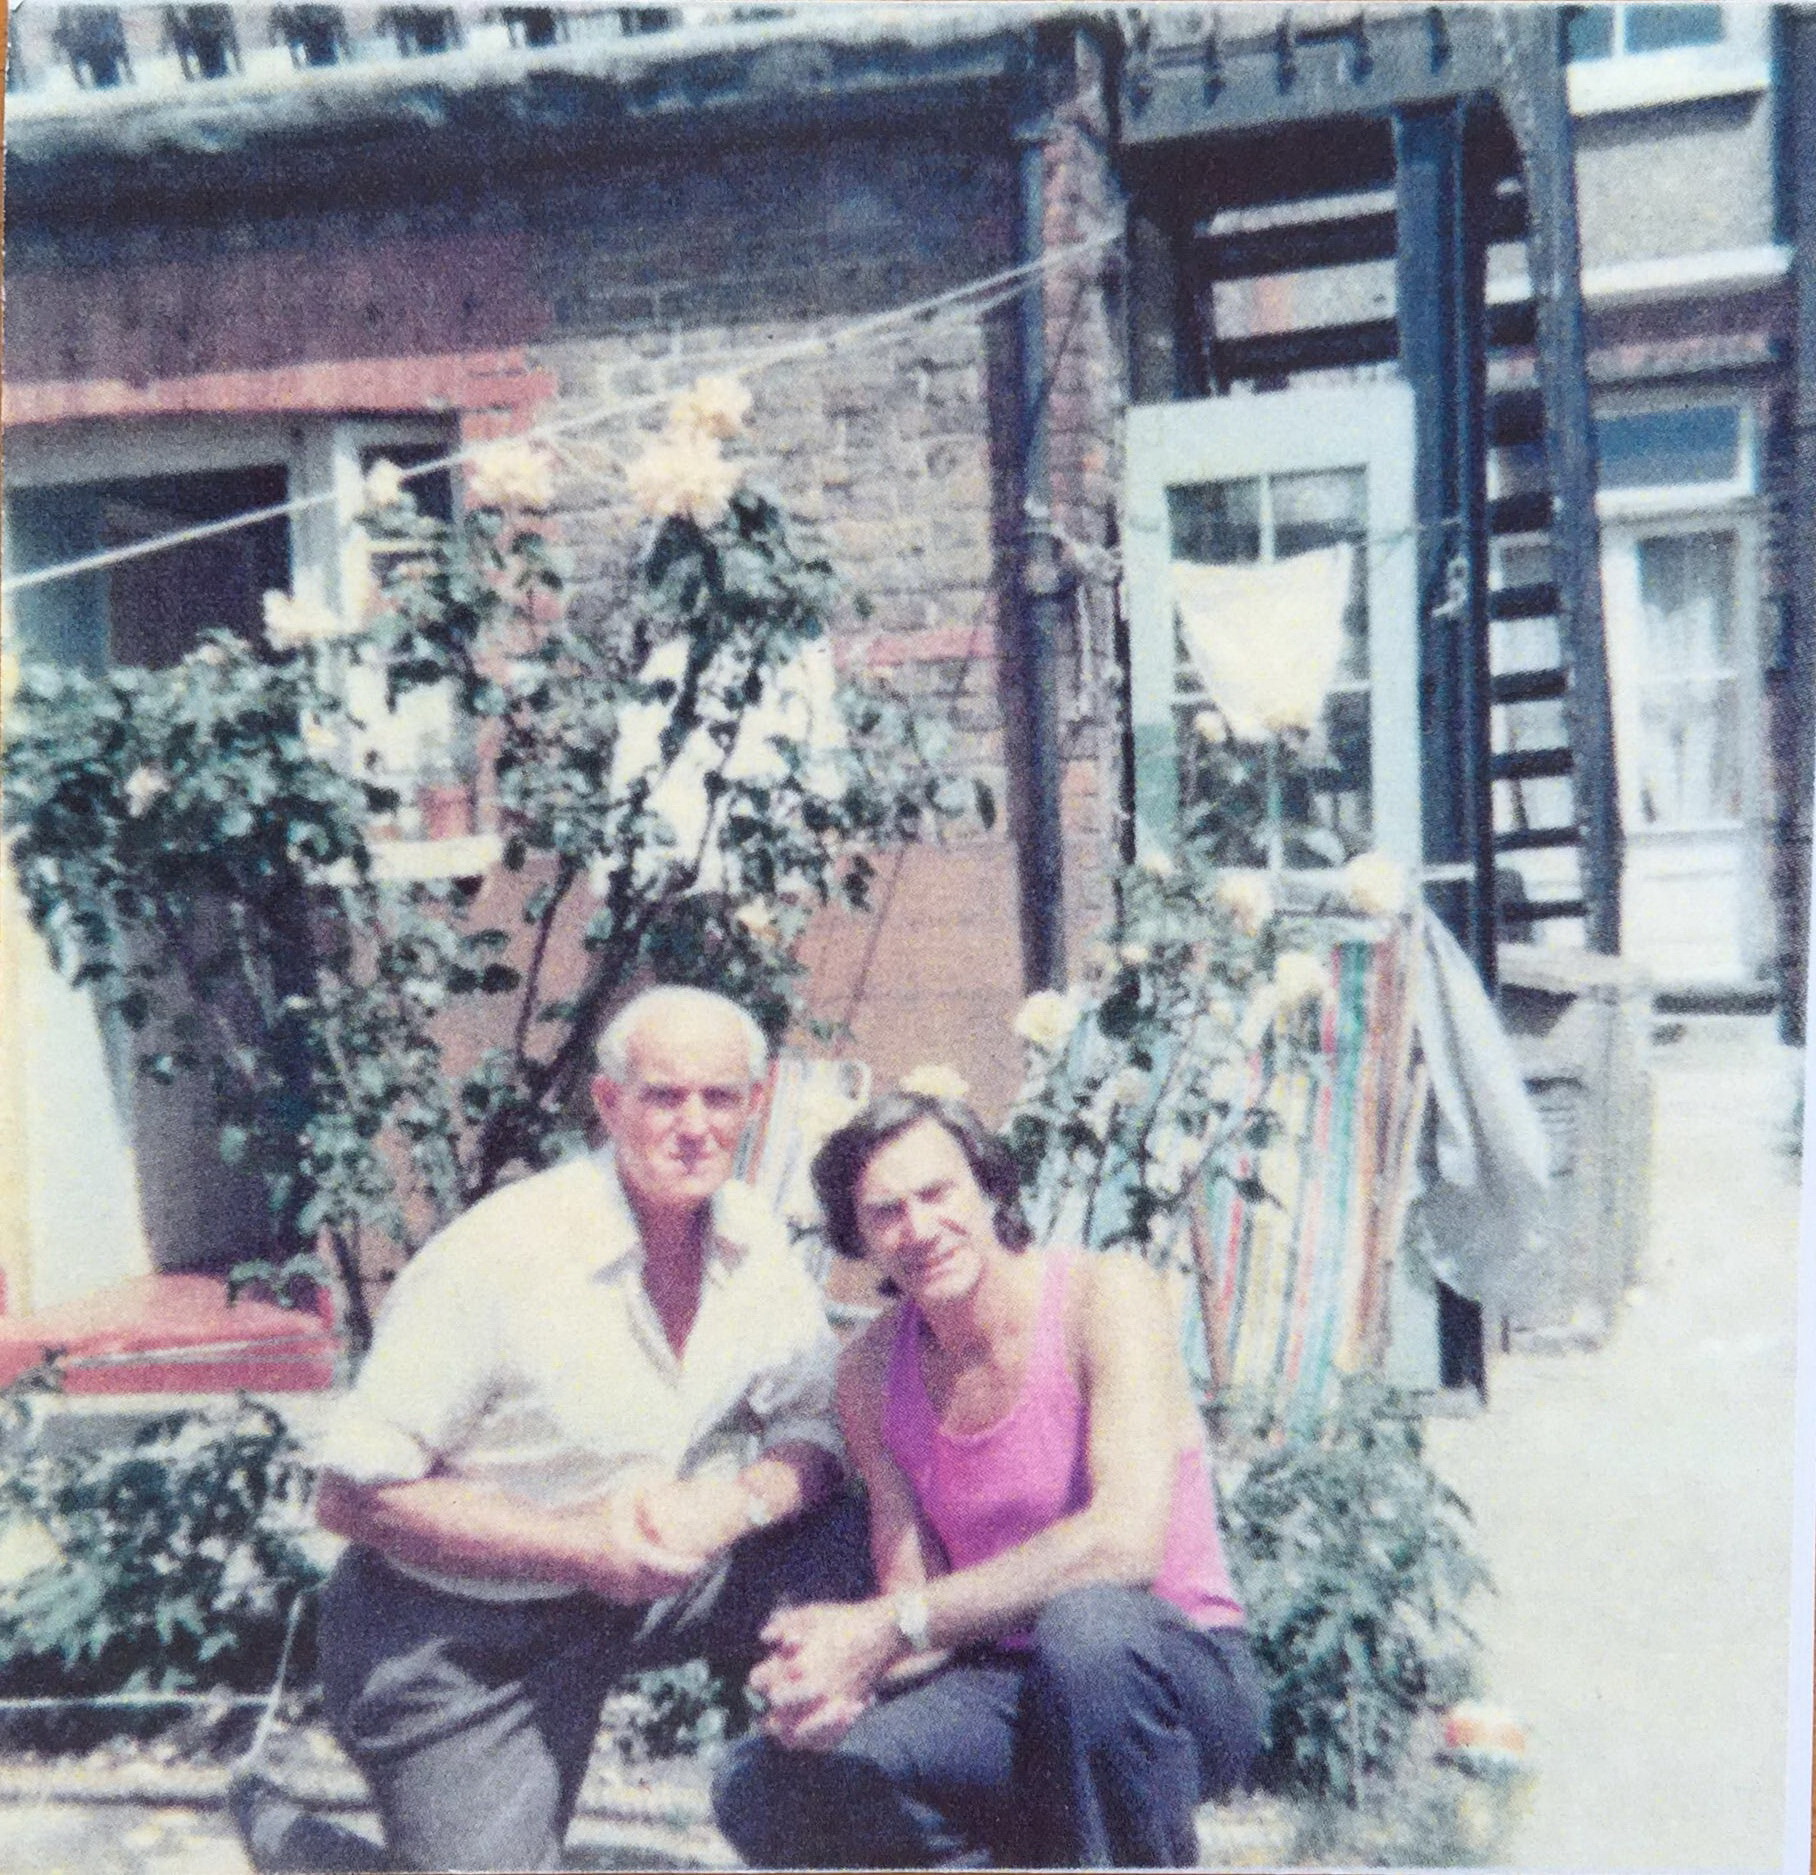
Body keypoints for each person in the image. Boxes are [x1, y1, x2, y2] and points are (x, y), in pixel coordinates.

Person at [234, 985, 868, 1873]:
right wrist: (581, 1548)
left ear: (754, 1103)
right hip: (454, 1635)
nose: (694, 1126)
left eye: (719, 1097)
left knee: (866, 1548)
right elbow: (352, 1495)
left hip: (641, 1585)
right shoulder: (504, 1254)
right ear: (608, 1102)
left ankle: (846, 1807)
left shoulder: (751, 1241)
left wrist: (738, 1501)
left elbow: (820, 1422)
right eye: (663, 1096)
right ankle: (298, 1846)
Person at [712, 1091, 1265, 1869]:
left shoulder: (1105, 1295)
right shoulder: (869, 1370)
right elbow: (914, 1605)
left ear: (988, 1188)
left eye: (937, 1192)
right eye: (886, 1212)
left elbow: (1125, 1545)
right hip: (1006, 1684)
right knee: (765, 1784)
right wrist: (836, 1677)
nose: (920, 1228)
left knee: (1088, 1632)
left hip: (1165, 1670)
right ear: (858, 1236)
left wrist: (888, 1625)